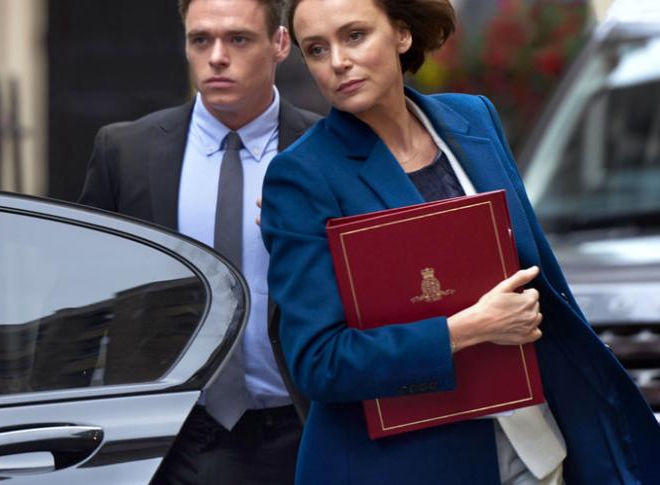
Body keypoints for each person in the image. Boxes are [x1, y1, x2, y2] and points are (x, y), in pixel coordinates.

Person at [260, 0, 660, 483]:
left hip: (536, 444)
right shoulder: (300, 177)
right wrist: (463, 330)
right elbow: (317, 362)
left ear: (401, 35)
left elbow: (542, 277)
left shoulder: (474, 119)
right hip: (403, 464)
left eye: (355, 35)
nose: (338, 61)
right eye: (317, 49)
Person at [78, 0, 321, 482]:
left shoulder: (325, 149)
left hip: (299, 433)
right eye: (200, 39)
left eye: (238, 39)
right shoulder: (127, 152)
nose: (216, 57)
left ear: (279, 43)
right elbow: (82, 300)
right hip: (169, 443)